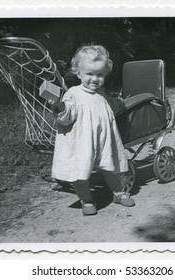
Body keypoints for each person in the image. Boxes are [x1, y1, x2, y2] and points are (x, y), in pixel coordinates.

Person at [49, 44, 135, 216]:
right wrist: (60, 107)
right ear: (78, 73)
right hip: (82, 143)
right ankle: (87, 200)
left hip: (103, 141)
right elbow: (67, 116)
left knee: (110, 166)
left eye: (100, 75)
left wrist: (119, 102)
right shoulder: (73, 93)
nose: (95, 79)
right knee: (80, 172)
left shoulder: (102, 94)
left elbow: (111, 109)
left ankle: (118, 193)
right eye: (89, 74)